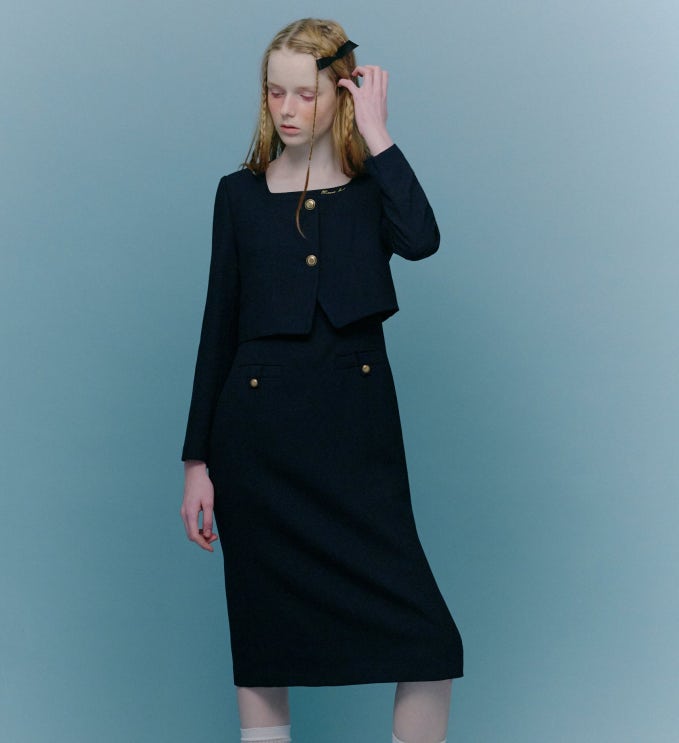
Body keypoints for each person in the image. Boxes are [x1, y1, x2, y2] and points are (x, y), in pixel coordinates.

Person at [180, 18, 463, 743]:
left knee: (427, 639)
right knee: (264, 638)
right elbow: (218, 324)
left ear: (341, 93)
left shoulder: (372, 190)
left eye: (305, 94)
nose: (286, 108)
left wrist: (377, 131)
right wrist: (196, 462)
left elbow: (422, 240)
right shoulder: (237, 195)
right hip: (256, 446)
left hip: (358, 440)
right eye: (275, 92)